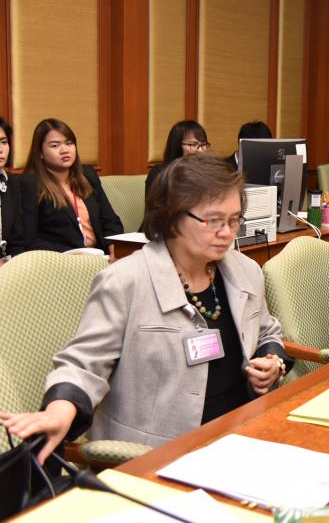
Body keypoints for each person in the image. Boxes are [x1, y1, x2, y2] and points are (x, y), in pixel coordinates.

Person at [0, 154, 291, 462]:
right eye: (214, 220)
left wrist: (272, 361)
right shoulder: (125, 281)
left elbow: (267, 330)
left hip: (243, 434)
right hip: (156, 455)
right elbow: (84, 364)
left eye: (234, 219)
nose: (227, 232)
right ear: (172, 216)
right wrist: (59, 411)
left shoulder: (245, 270)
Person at [19, 119, 123, 254]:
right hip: (62, 260)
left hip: (100, 256)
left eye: (69, 143)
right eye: (55, 145)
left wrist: (114, 250)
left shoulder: (87, 175)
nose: (64, 150)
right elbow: (30, 240)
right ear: (40, 152)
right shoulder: (30, 184)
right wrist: (75, 255)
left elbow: (110, 221)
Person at [145, 120, 210, 198]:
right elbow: (155, 205)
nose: (201, 150)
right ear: (177, 146)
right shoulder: (160, 173)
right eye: (193, 144)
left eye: (203, 144)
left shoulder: (209, 173)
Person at [0, 117, 25, 264]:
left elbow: (17, 241)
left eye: (4, 142)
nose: (1, 149)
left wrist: (14, 265)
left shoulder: (12, 182)